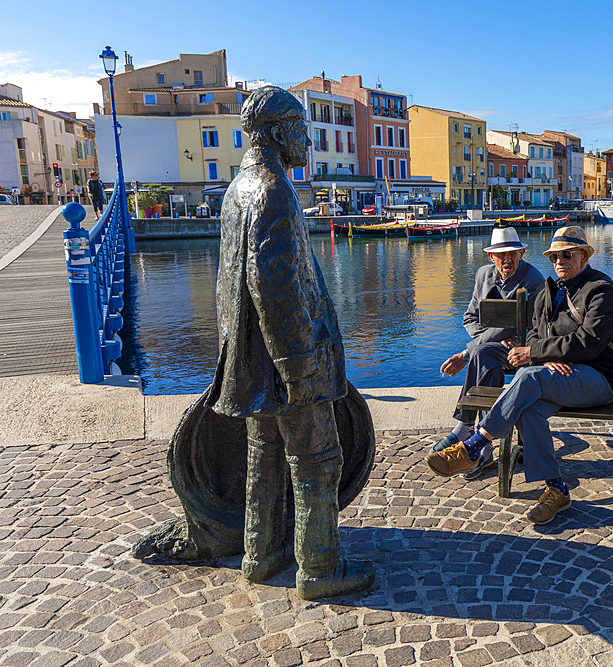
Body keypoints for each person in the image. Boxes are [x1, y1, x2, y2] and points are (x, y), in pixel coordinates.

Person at [206, 85, 373, 601]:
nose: (307, 141)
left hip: (250, 359)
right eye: (301, 130)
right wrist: (300, 366)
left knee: (265, 455)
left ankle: (262, 554)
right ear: (279, 133)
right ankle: (320, 568)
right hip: (286, 360)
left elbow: (227, 282)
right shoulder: (274, 189)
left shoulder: (238, 188)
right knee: (318, 459)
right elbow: (274, 286)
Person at [426, 226, 613, 525]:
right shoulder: (550, 289)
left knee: (528, 378)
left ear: (584, 256)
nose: (559, 261)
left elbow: (589, 342)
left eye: (567, 255)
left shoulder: (602, 290)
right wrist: (544, 357)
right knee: (529, 408)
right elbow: (534, 334)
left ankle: (474, 445)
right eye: (554, 256)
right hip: (559, 375)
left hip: (597, 378)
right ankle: (556, 489)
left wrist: (537, 356)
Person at [435, 225, 544, 478]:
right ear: (490, 257)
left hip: (524, 352)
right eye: (501, 254)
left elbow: (515, 325)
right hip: (495, 349)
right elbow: (469, 318)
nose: (507, 259)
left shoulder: (534, 281)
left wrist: (465, 354)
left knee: (481, 354)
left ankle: (472, 437)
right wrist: (492, 339)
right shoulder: (483, 274)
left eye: (512, 253)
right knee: (485, 355)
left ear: (522, 254)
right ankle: (473, 437)